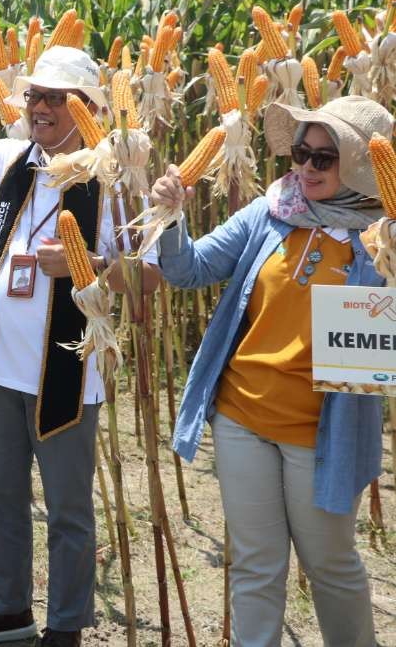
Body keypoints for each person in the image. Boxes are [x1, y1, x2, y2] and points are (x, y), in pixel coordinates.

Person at [0, 46, 160, 647]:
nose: (41, 108)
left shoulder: (114, 177)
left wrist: (90, 264)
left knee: (68, 510)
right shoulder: (9, 158)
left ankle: (66, 627)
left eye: (57, 98)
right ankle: (9, 612)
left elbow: (150, 271)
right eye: (35, 96)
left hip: (67, 374)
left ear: (90, 108)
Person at [150, 95, 390, 647]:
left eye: (323, 159)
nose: (305, 167)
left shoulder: (382, 242)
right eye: (301, 152)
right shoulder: (271, 211)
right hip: (242, 419)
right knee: (255, 567)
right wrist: (170, 216)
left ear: (356, 165)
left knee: (331, 566)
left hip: (322, 434)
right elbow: (190, 269)